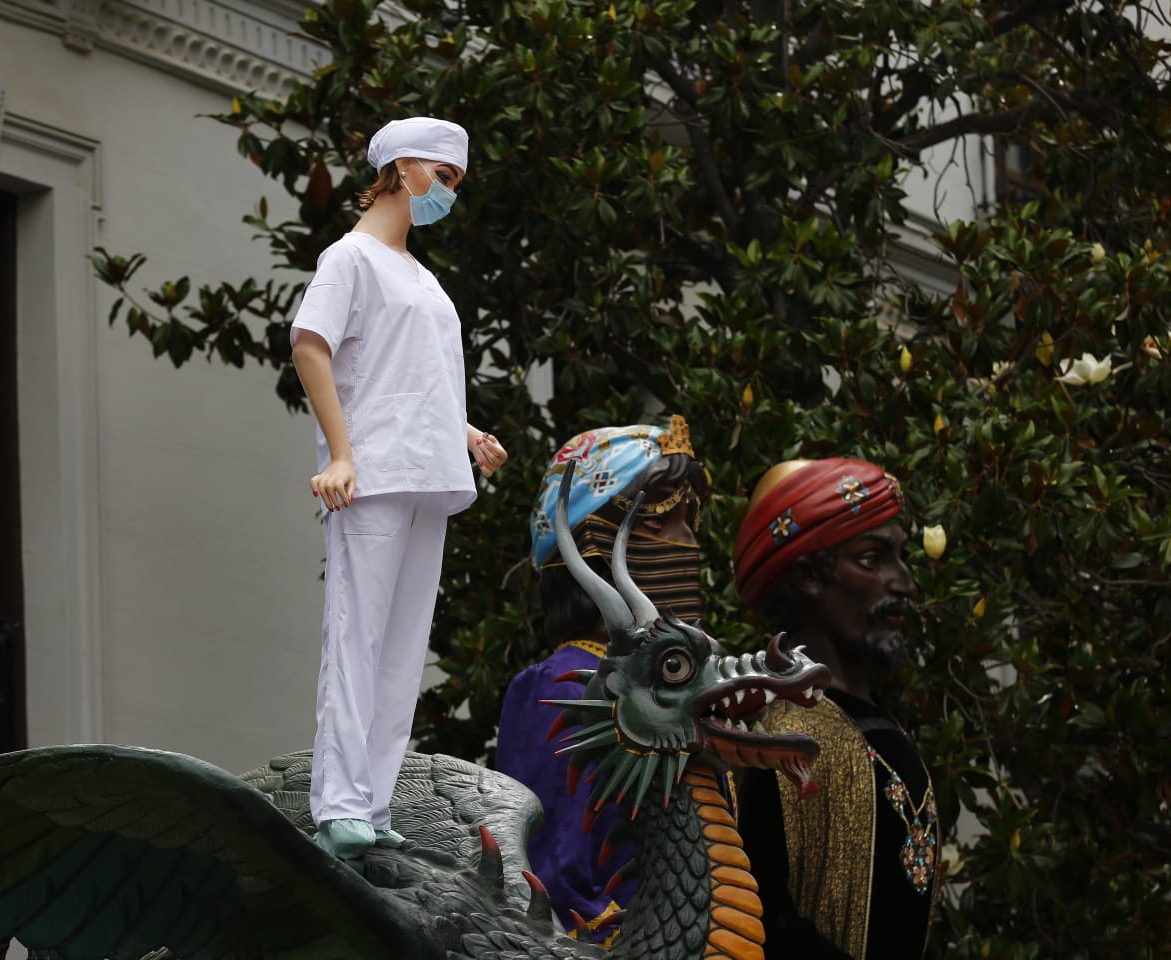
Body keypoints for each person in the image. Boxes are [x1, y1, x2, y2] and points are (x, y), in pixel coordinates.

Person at [290, 116, 509, 863]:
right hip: (374, 475)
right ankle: (340, 805)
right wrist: (341, 453)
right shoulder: (348, 258)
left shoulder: (424, 279)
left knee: (403, 647)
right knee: (358, 636)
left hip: (428, 473)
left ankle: (375, 804)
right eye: (445, 177)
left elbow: (416, 380)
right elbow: (311, 346)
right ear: (407, 167)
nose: (448, 193)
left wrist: (467, 433)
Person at [494, 416, 709, 939]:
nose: (691, 546)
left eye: (690, 523)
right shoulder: (565, 686)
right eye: (663, 523)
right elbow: (552, 881)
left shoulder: (681, 690)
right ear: (593, 540)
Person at [731, 458, 940, 960]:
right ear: (807, 576)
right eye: (872, 560)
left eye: (900, 558)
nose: (905, 584)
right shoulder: (777, 740)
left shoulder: (864, 725)